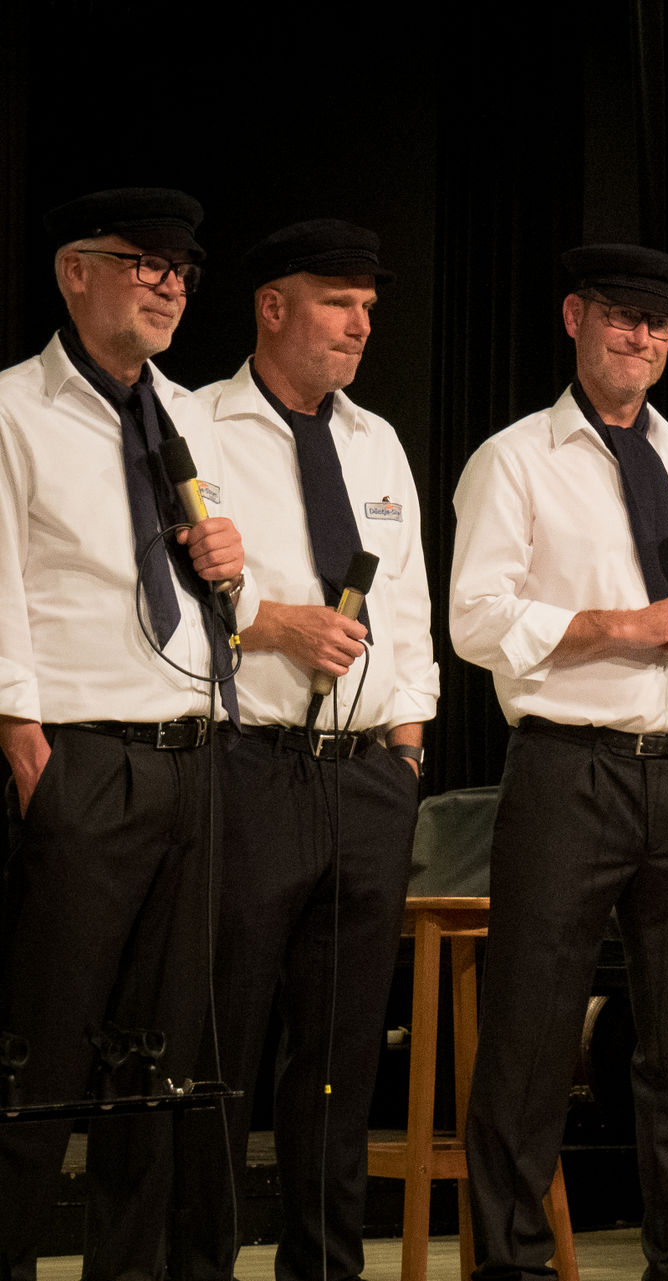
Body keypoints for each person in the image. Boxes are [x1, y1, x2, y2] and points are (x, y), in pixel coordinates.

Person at [450, 243, 668, 1281]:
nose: (643, 338)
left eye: (660, 325)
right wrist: (618, 626)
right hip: (570, 770)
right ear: (575, 316)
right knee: (533, 1037)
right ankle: (513, 1266)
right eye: (624, 317)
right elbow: (475, 619)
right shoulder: (515, 459)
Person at [170, 219, 438, 1281]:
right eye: (338, 302)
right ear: (272, 307)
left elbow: (407, 608)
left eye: (369, 307)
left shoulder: (378, 442)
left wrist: (407, 751)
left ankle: (325, 1268)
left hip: (367, 779)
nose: (361, 325)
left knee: (339, 1055)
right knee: (224, 1041)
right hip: (252, 764)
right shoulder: (197, 422)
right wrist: (269, 623)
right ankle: (198, 1261)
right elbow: (165, 594)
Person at [0, 187, 246, 1279]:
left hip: (193, 759)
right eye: (145, 263)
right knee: (44, 1052)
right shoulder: (15, 409)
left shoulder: (187, 415)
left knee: (160, 1066)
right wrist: (26, 746)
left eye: (181, 270)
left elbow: (216, 595)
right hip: (82, 758)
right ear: (75, 271)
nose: (170, 285)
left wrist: (235, 568)